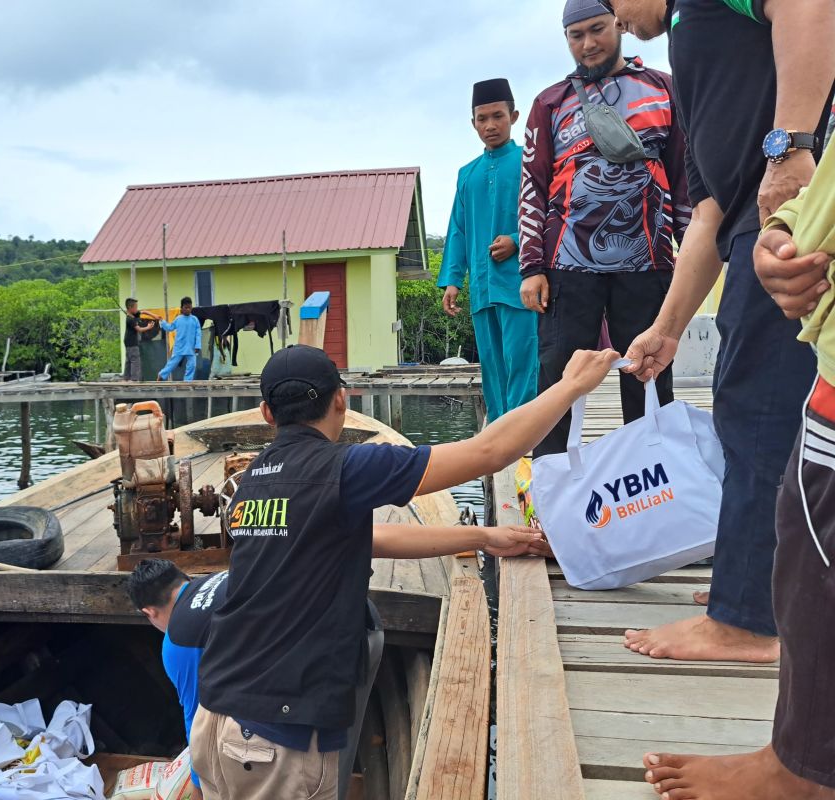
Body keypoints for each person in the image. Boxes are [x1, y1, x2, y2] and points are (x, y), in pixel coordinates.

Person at [190, 344, 619, 800]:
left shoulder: (250, 483)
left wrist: (482, 537)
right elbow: (490, 452)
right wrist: (572, 386)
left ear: (265, 413)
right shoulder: (346, 469)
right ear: (341, 400)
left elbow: (368, 539)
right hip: (276, 733)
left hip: (212, 718)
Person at [614, 0, 834, 669]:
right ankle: (762, 587)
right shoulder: (693, 49)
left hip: (795, 210)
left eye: (614, 6)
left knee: (760, 409)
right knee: (760, 406)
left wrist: (791, 146)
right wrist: (668, 327)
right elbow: (709, 209)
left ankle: (750, 620)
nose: (617, 20)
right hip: (749, 227)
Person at [129, 511, 548, 800]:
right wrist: (483, 536)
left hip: (330, 661)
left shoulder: (179, 636)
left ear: (150, 612)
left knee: (301, 758)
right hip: (362, 632)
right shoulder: (222, 578)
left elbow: (196, 720)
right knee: (334, 750)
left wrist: (203, 788)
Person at [519, 0, 691, 457]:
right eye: (576, 36)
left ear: (618, 23)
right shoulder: (549, 102)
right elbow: (533, 186)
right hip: (566, 265)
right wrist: (531, 266)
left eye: (597, 29)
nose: (588, 43)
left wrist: (690, 249)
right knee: (556, 374)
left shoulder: (664, 89)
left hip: (649, 259)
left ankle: (656, 472)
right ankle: (549, 479)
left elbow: (684, 174)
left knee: (648, 370)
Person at [440, 78, 537, 421]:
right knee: (492, 369)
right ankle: (500, 434)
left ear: (514, 116)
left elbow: (551, 214)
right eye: (482, 119)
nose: (490, 125)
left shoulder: (530, 162)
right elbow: (458, 229)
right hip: (483, 287)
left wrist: (516, 238)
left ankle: (524, 433)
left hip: (521, 282)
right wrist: (453, 279)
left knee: (523, 360)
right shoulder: (468, 174)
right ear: (473, 123)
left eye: (498, 116)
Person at [157, 297, 202, 382]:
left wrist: (197, 345)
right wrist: (162, 322)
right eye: (186, 307)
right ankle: (162, 374)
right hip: (179, 346)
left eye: (190, 307)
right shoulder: (178, 319)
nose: (188, 309)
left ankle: (187, 381)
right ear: (181, 308)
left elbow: (198, 334)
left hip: (191, 347)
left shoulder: (195, 319)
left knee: (192, 365)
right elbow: (170, 327)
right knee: (173, 363)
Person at [123, 298, 157, 382]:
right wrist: (148, 327)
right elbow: (139, 329)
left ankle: (126, 378)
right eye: (135, 307)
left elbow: (144, 312)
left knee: (128, 360)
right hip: (132, 342)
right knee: (135, 360)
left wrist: (154, 316)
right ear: (130, 308)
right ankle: (134, 379)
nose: (137, 309)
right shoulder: (130, 319)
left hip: (127, 342)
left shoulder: (134, 315)